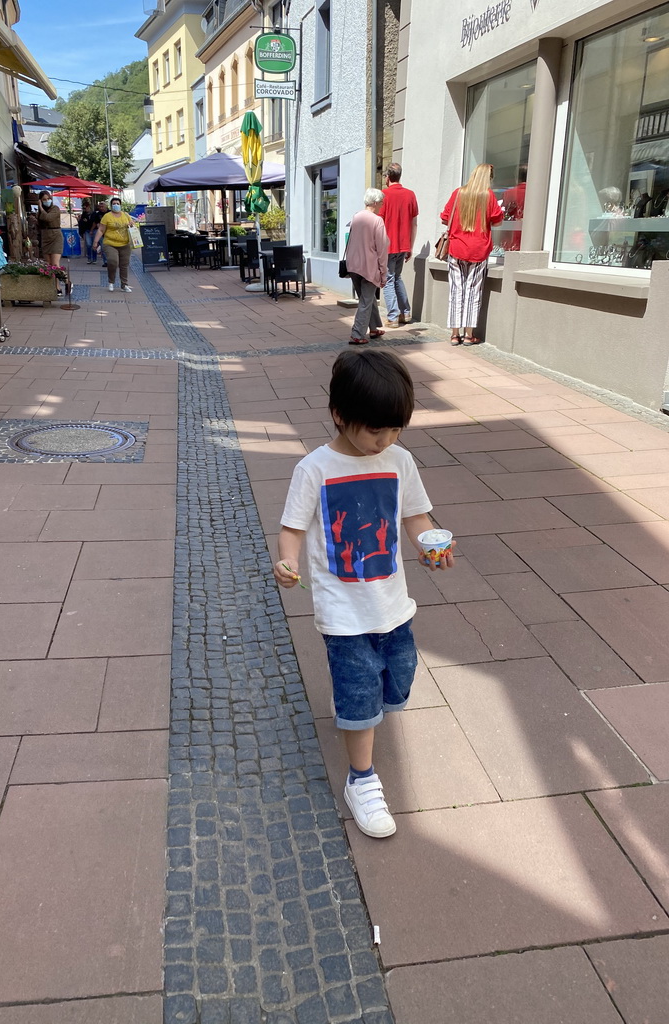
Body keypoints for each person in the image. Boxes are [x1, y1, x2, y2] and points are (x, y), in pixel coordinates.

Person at [274, 349, 455, 839]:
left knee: (398, 678)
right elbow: (292, 528)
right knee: (359, 695)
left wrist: (429, 544)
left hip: (393, 602)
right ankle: (362, 779)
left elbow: (415, 516)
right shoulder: (315, 469)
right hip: (343, 611)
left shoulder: (399, 460)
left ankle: (357, 706)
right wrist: (286, 562)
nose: (386, 439)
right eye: (376, 429)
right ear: (340, 415)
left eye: (395, 430)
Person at [439, 163, 503, 346]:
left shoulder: (459, 193)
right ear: (488, 178)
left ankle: (454, 334)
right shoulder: (488, 196)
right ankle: (468, 335)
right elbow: (498, 221)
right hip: (479, 249)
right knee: (473, 292)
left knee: (456, 290)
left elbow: (445, 218)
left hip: (457, 248)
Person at [345, 188, 388, 345]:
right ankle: (357, 334)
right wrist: (383, 272)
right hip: (369, 267)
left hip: (353, 265)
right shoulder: (377, 221)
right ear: (376, 203)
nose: (382, 205)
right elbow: (382, 249)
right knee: (366, 300)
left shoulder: (356, 217)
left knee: (366, 298)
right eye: (382, 202)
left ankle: (374, 328)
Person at [379, 162, 418, 327]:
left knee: (388, 279)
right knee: (397, 278)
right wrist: (411, 246)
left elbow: (379, 222)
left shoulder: (383, 195)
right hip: (403, 244)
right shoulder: (410, 195)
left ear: (387, 177)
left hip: (387, 245)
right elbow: (414, 223)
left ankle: (393, 316)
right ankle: (405, 313)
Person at [92, 198, 137, 292]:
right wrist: (95, 242)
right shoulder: (107, 216)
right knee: (113, 261)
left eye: (117, 203)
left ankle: (124, 284)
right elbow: (101, 230)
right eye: (114, 203)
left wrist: (132, 224)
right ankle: (111, 281)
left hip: (125, 244)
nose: (115, 205)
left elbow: (133, 225)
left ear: (120, 205)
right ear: (111, 205)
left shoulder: (126, 215)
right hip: (110, 243)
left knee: (124, 265)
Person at [36, 190, 64, 295]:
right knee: (48, 265)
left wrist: (41, 208)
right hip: (45, 236)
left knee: (55, 264)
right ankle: (51, 286)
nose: (46, 201)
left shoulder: (55, 208)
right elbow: (39, 222)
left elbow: (48, 218)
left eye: (48, 199)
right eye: (44, 199)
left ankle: (61, 284)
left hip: (55, 235)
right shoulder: (40, 211)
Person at [90, 200, 109, 267]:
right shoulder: (98, 214)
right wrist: (91, 230)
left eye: (102, 206)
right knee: (103, 247)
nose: (101, 208)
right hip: (101, 233)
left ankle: (111, 260)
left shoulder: (109, 213)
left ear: (106, 206)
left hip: (109, 233)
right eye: (100, 206)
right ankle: (106, 261)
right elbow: (95, 223)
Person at [77, 199, 96, 264]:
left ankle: (94, 258)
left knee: (94, 244)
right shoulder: (84, 214)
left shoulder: (93, 214)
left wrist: (91, 230)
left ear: (89, 207)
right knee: (88, 244)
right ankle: (89, 258)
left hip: (93, 230)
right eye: (83, 208)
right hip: (87, 230)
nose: (85, 209)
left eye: (85, 208)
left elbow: (94, 222)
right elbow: (82, 223)